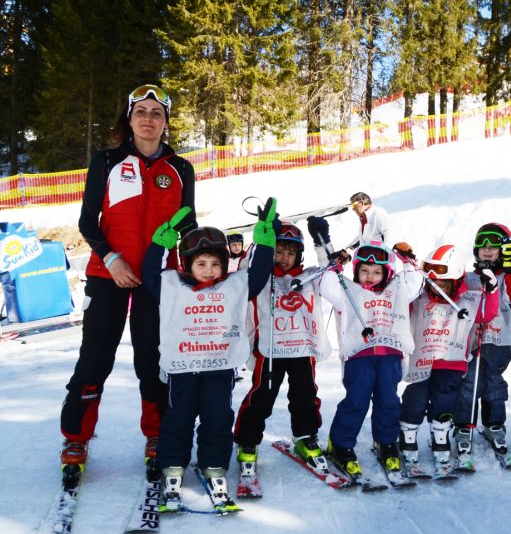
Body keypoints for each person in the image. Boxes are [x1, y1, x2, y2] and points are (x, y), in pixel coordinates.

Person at [59, 84, 196, 482]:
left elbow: (187, 222)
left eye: (157, 112)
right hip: (109, 276)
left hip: (159, 278)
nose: (149, 118)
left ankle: (157, 436)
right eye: (141, 111)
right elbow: (87, 222)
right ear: (129, 117)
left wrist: (184, 245)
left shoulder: (180, 168)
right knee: (95, 359)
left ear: (166, 122)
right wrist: (112, 258)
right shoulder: (106, 161)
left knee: (153, 361)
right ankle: (75, 437)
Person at [142, 200, 276, 510]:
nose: (209, 270)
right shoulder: (173, 285)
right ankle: (172, 466)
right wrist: (161, 244)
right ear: (187, 265)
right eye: (201, 264)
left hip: (219, 367)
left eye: (215, 264)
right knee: (179, 418)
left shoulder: (233, 286)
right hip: (183, 367)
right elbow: (151, 274)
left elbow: (256, 275)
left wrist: (265, 241)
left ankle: (214, 464)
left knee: (218, 418)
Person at [306, 217, 423, 478]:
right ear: (356, 271)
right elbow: (327, 282)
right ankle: (341, 444)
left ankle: (386, 441)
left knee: (389, 402)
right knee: (356, 402)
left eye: (377, 271)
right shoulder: (348, 291)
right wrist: (326, 250)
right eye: (364, 270)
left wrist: (408, 259)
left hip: (390, 357)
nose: (370, 276)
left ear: (387, 273)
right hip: (360, 357)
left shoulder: (398, 290)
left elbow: (416, 281)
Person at [233, 222, 329, 480]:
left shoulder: (309, 276)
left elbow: (331, 271)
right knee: (261, 397)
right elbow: (245, 267)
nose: (284, 257)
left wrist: (322, 240)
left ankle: (305, 436)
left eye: (290, 252)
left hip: (301, 348)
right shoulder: (260, 276)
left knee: (305, 396)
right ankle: (248, 440)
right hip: (270, 350)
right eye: (278, 250)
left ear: (299, 255)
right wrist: (261, 243)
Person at [400, 244, 499, 472]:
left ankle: (441, 437)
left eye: (443, 282)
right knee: (415, 398)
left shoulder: (467, 300)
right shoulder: (419, 297)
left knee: (445, 401)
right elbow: (401, 307)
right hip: (421, 361)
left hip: (451, 361)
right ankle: (408, 434)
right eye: (433, 282)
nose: (437, 287)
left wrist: (491, 290)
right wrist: (409, 267)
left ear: (454, 281)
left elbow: (487, 314)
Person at [453, 224, 511, 456]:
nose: (486, 250)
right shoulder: (470, 277)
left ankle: (495, 423)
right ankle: (464, 424)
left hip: (499, 339)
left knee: (494, 382)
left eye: (493, 246)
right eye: (482, 245)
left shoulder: (510, 277)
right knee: (469, 383)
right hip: (473, 340)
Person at [325, 191, 393, 265]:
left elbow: (389, 235)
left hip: (379, 262)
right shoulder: (363, 217)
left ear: (362, 202)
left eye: (354, 206)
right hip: (369, 260)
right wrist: (348, 249)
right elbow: (361, 238)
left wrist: (382, 257)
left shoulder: (378, 213)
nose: (353, 209)